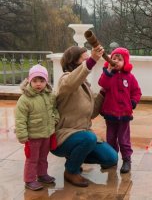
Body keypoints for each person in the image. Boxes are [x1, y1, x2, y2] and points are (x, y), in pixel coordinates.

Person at [51, 45, 118, 188]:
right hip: (63, 137)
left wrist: (104, 91)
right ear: (74, 62)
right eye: (85, 58)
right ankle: (71, 170)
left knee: (111, 158)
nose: (89, 60)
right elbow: (71, 83)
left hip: (81, 135)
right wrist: (93, 59)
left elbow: (92, 113)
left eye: (89, 58)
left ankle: (73, 157)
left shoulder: (84, 84)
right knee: (89, 138)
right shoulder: (65, 80)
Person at [15, 64, 60, 191]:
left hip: (46, 134)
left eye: (42, 80)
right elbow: (20, 119)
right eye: (35, 80)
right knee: (32, 158)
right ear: (29, 80)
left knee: (43, 157)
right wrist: (22, 135)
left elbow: (54, 109)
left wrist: (55, 119)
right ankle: (29, 180)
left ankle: (42, 174)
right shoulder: (25, 99)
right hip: (33, 136)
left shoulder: (50, 96)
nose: (38, 84)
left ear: (46, 81)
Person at [98, 47, 142, 174]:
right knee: (110, 138)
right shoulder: (107, 75)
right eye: (114, 58)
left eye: (120, 59)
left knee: (124, 139)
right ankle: (112, 158)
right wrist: (108, 72)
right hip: (110, 113)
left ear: (125, 62)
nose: (116, 61)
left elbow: (137, 92)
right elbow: (102, 83)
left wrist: (133, 102)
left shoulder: (130, 77)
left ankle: (127, 160)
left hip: (124, 115)